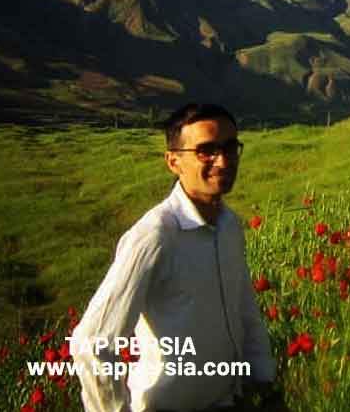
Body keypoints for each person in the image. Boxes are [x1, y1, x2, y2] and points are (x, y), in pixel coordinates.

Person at [71, 103, 280, 411]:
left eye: (230, 147)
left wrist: (263, 380)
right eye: (206, 150)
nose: (223, 161)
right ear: (173, 161)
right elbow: (92, 342)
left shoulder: (229, 225)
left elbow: (244, 307)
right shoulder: (155, 236)